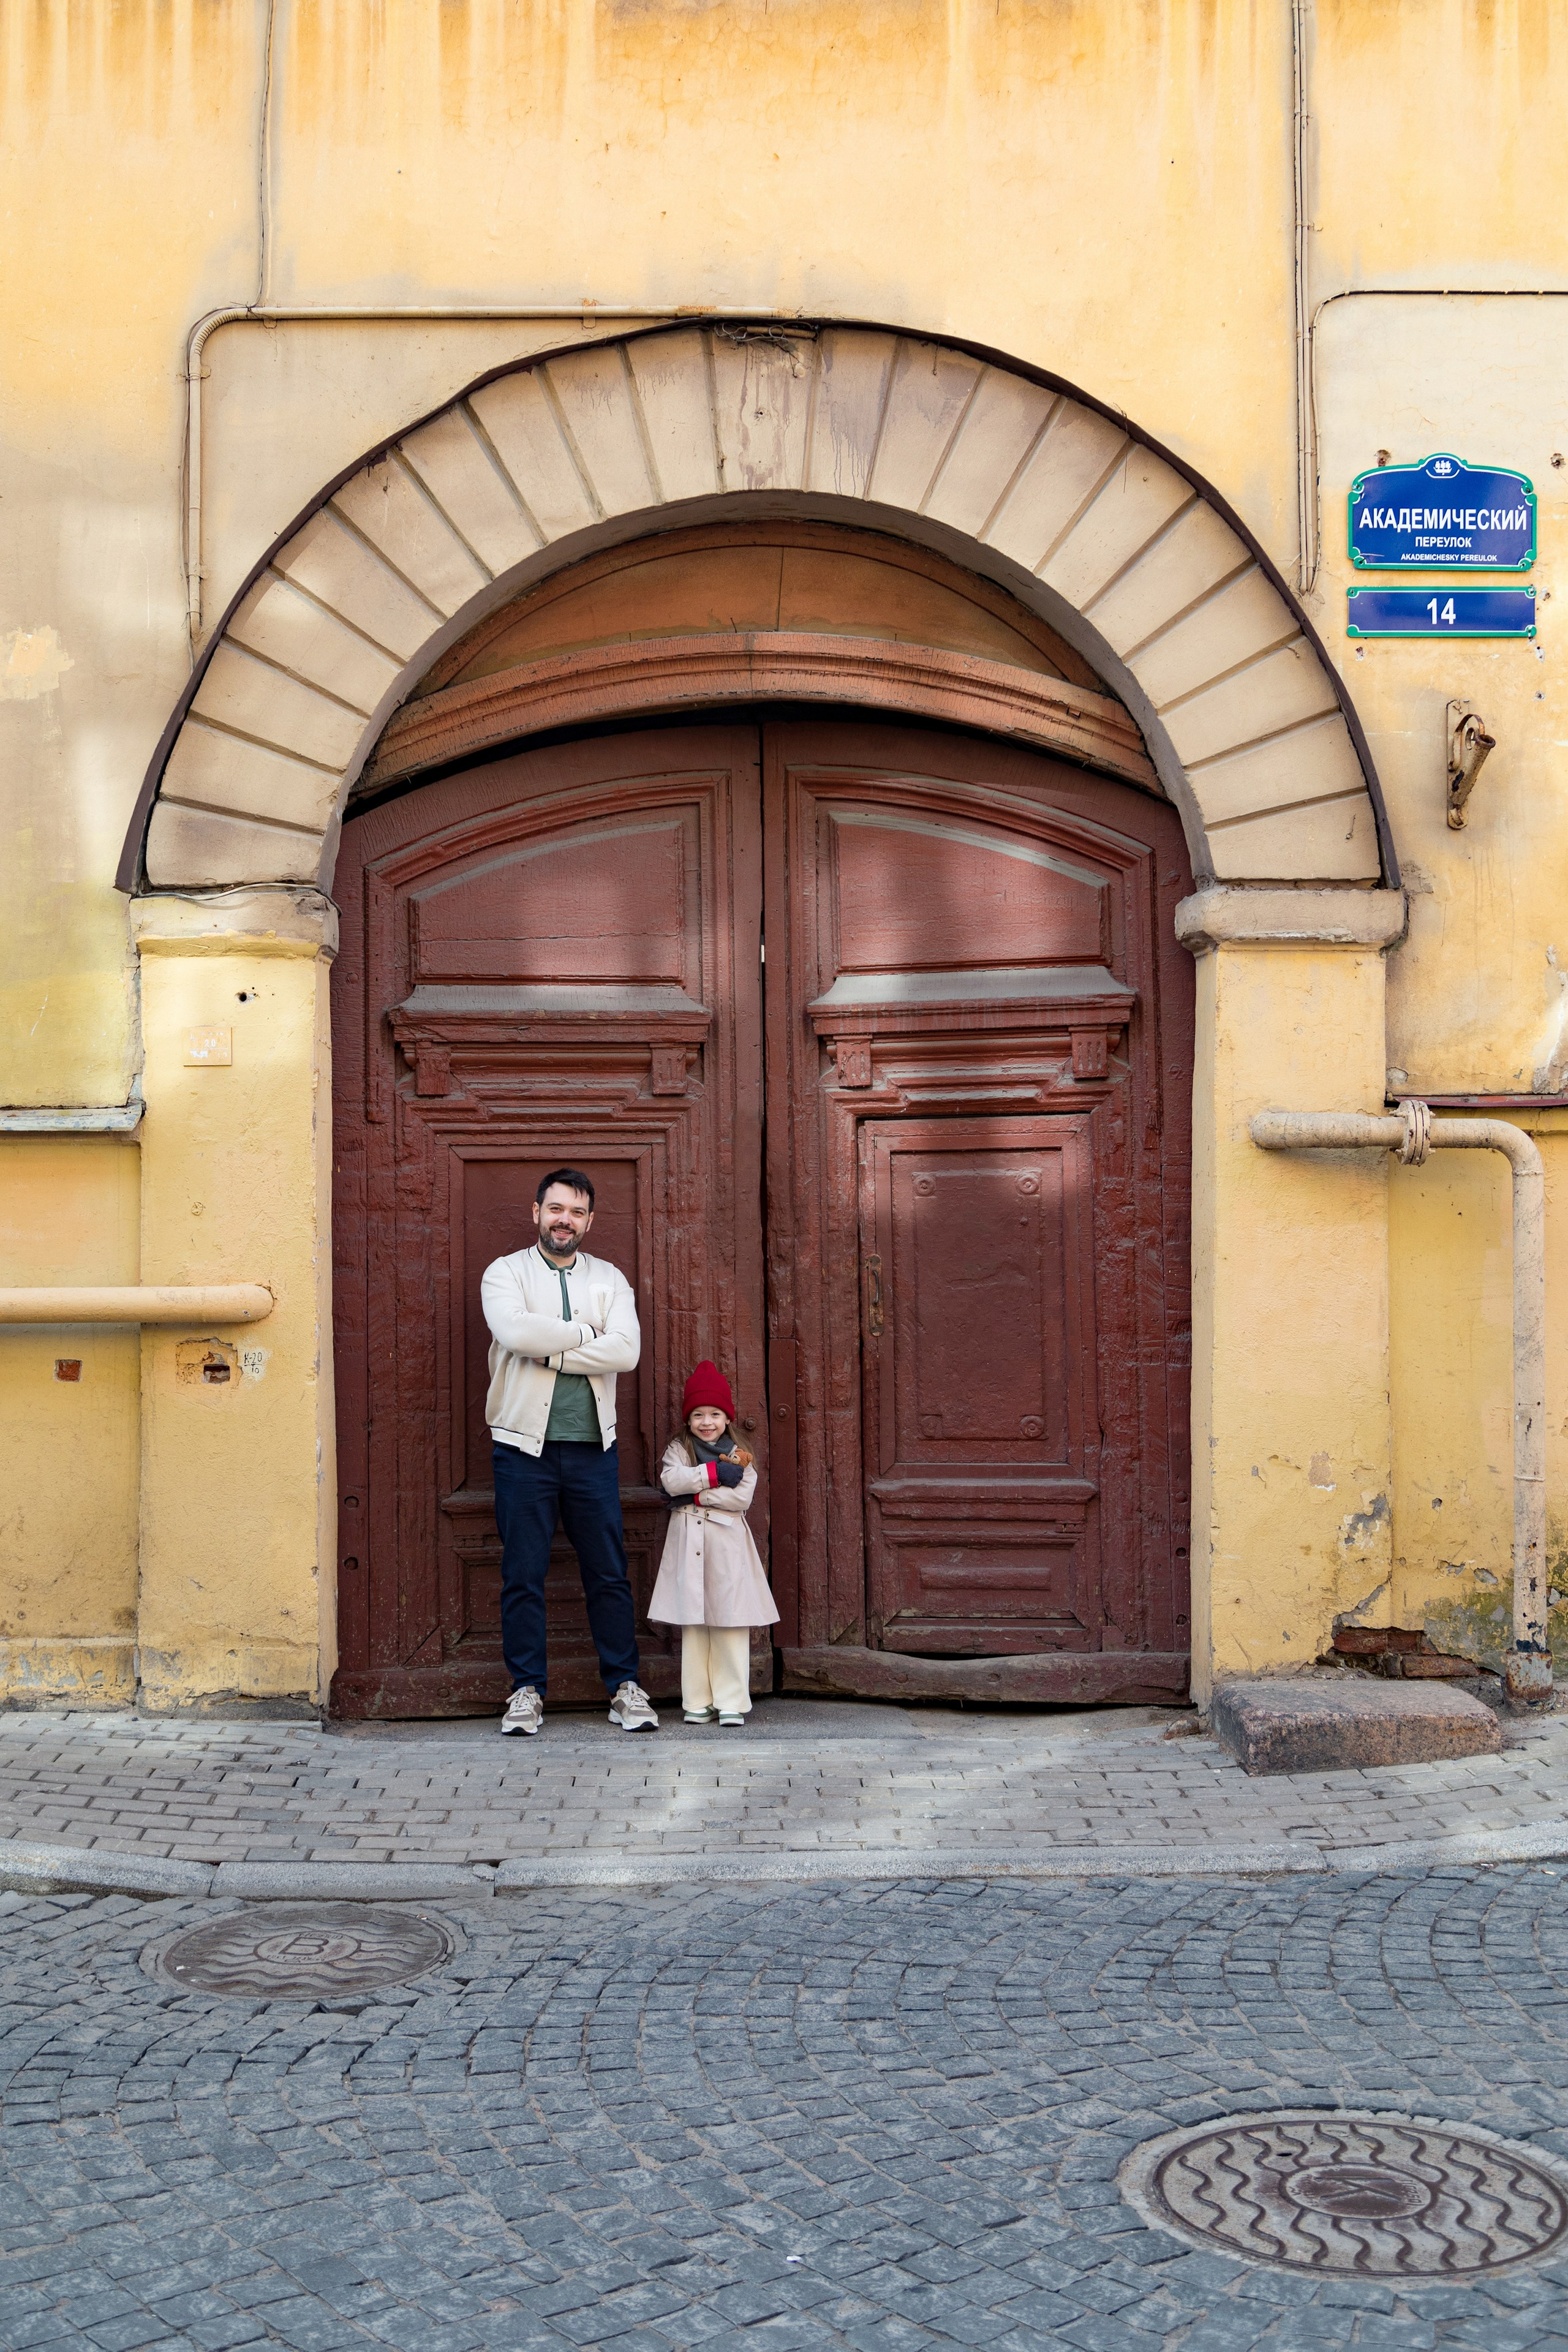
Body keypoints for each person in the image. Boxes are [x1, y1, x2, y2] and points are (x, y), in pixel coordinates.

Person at [481, 1167, 659, 1736]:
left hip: (591, 1450)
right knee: (523, 1573)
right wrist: (587, 1335)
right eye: (556, 1209)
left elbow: (627, 1352)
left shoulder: (609, 1277)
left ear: (589, 1221)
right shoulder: (504, 1272)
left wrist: (555, 1352)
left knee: (608, 1572)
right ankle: (527, 1690)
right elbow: (515, 1335)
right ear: (536, 1212)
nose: (565, 1220)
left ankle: (624, 1686)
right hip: (521, 1451)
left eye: (577, 1212)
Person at [649, 1361, 779, 1725]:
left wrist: (697, 1497)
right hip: (688, 1542)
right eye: (699, 1415)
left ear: (727, 1418)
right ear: (689, 1420)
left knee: (729, 1620)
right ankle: (696, 1700)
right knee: (695, 1622)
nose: (707, 1422)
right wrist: (711, 1475)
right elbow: (672, 1482)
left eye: (716, 1414)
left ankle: (732, 1702)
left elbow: (741, 1499)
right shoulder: (679, 1448)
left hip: (726, 1545)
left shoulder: (741, 1454)